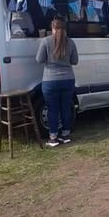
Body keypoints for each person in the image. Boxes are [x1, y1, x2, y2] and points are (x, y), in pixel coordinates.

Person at [36, 16, 79, 147]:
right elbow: (75, 61)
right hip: (68, 80)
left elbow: (39, 59)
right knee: (66, 107)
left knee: (52, 110)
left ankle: (53, 138)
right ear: (65, 28)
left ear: (52, 28)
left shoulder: (45, 41)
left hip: (50, 80)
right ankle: (65, 135)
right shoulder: (71, 42)